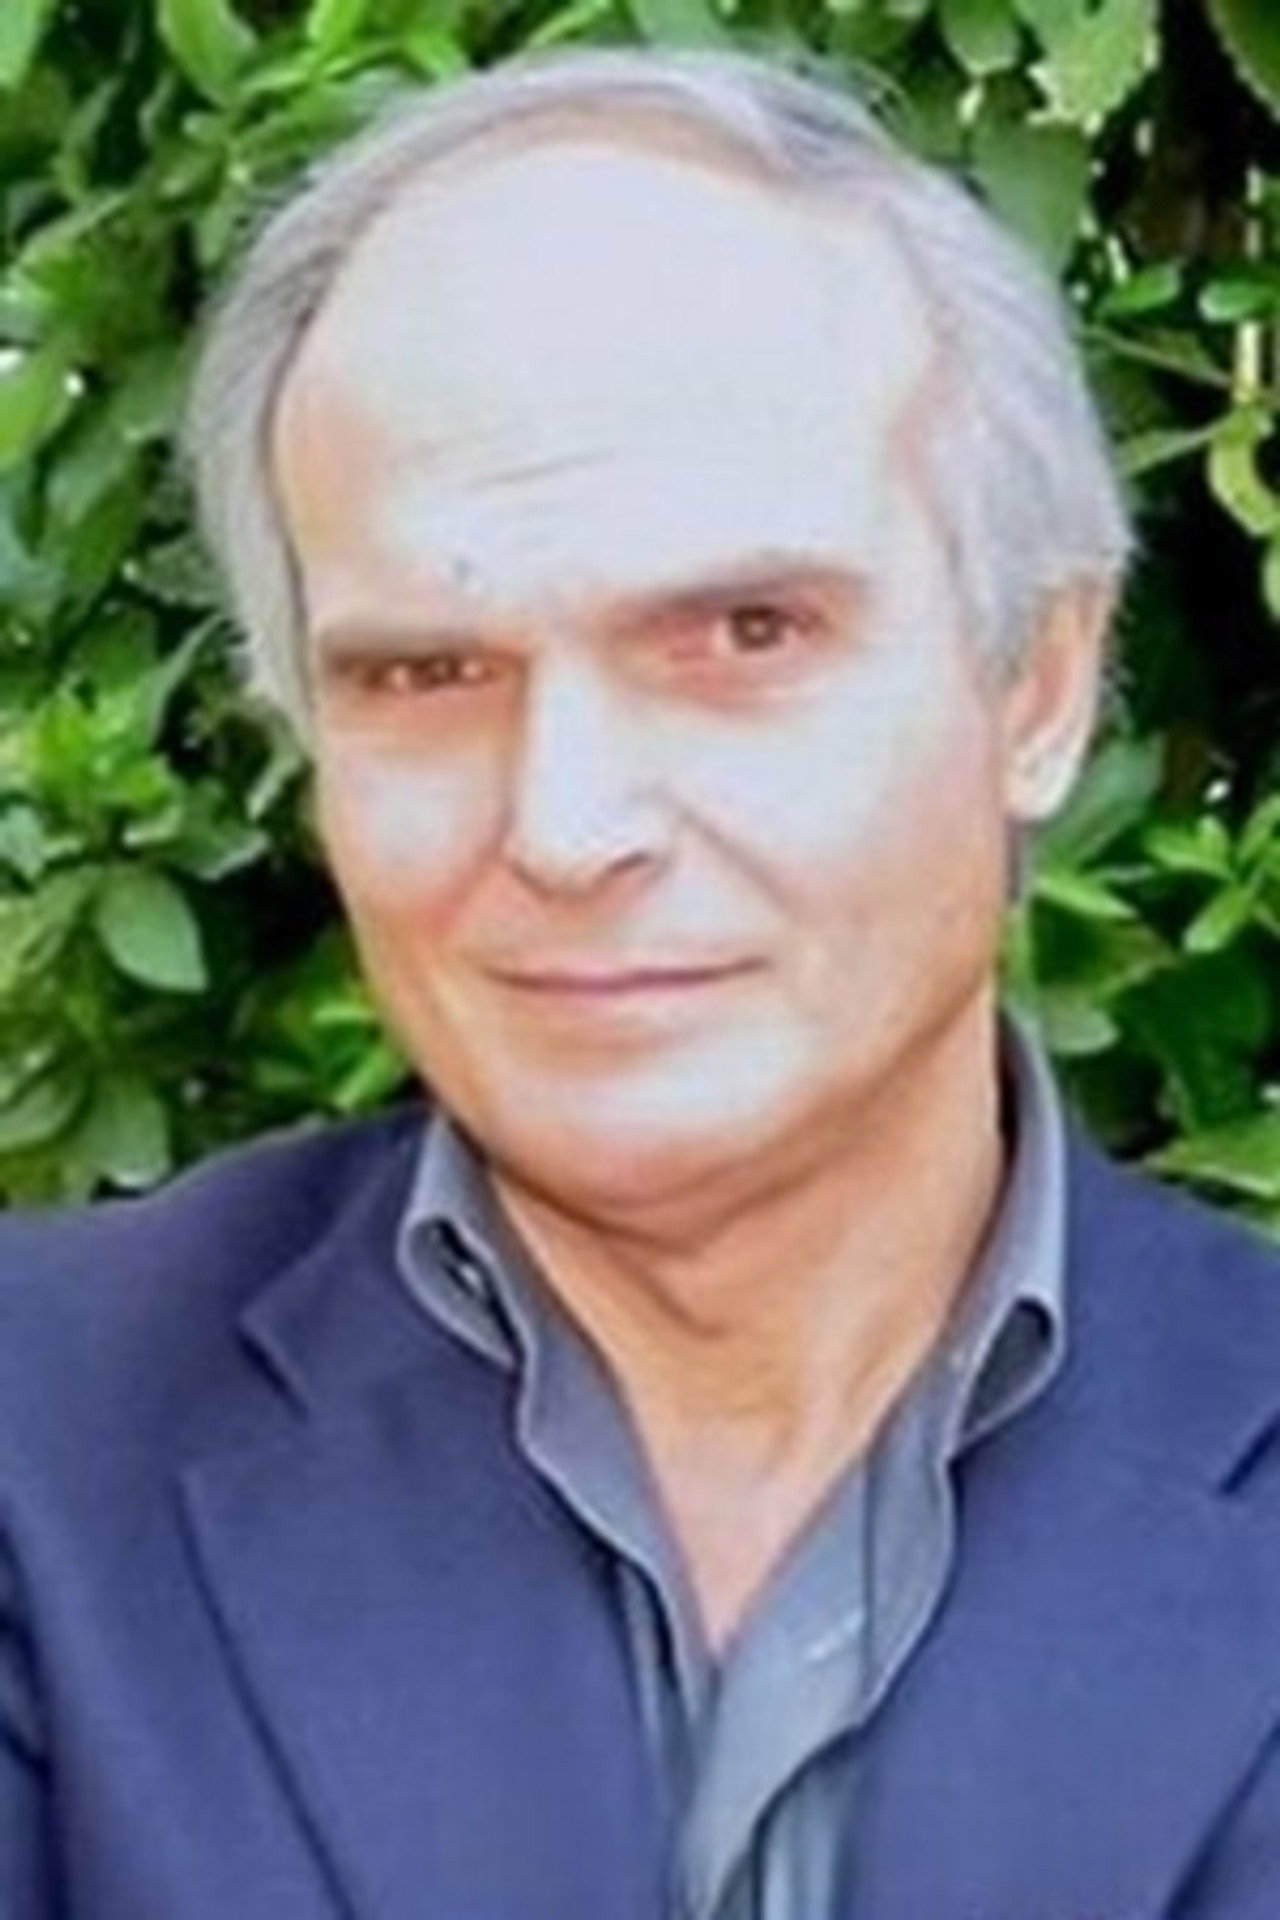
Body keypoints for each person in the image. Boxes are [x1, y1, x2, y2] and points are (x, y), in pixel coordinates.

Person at [3, 45, 1280, 1920]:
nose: (568, 822)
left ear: (1036, 684)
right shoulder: (37, 1449)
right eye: (426, 675)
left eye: (742, 635)